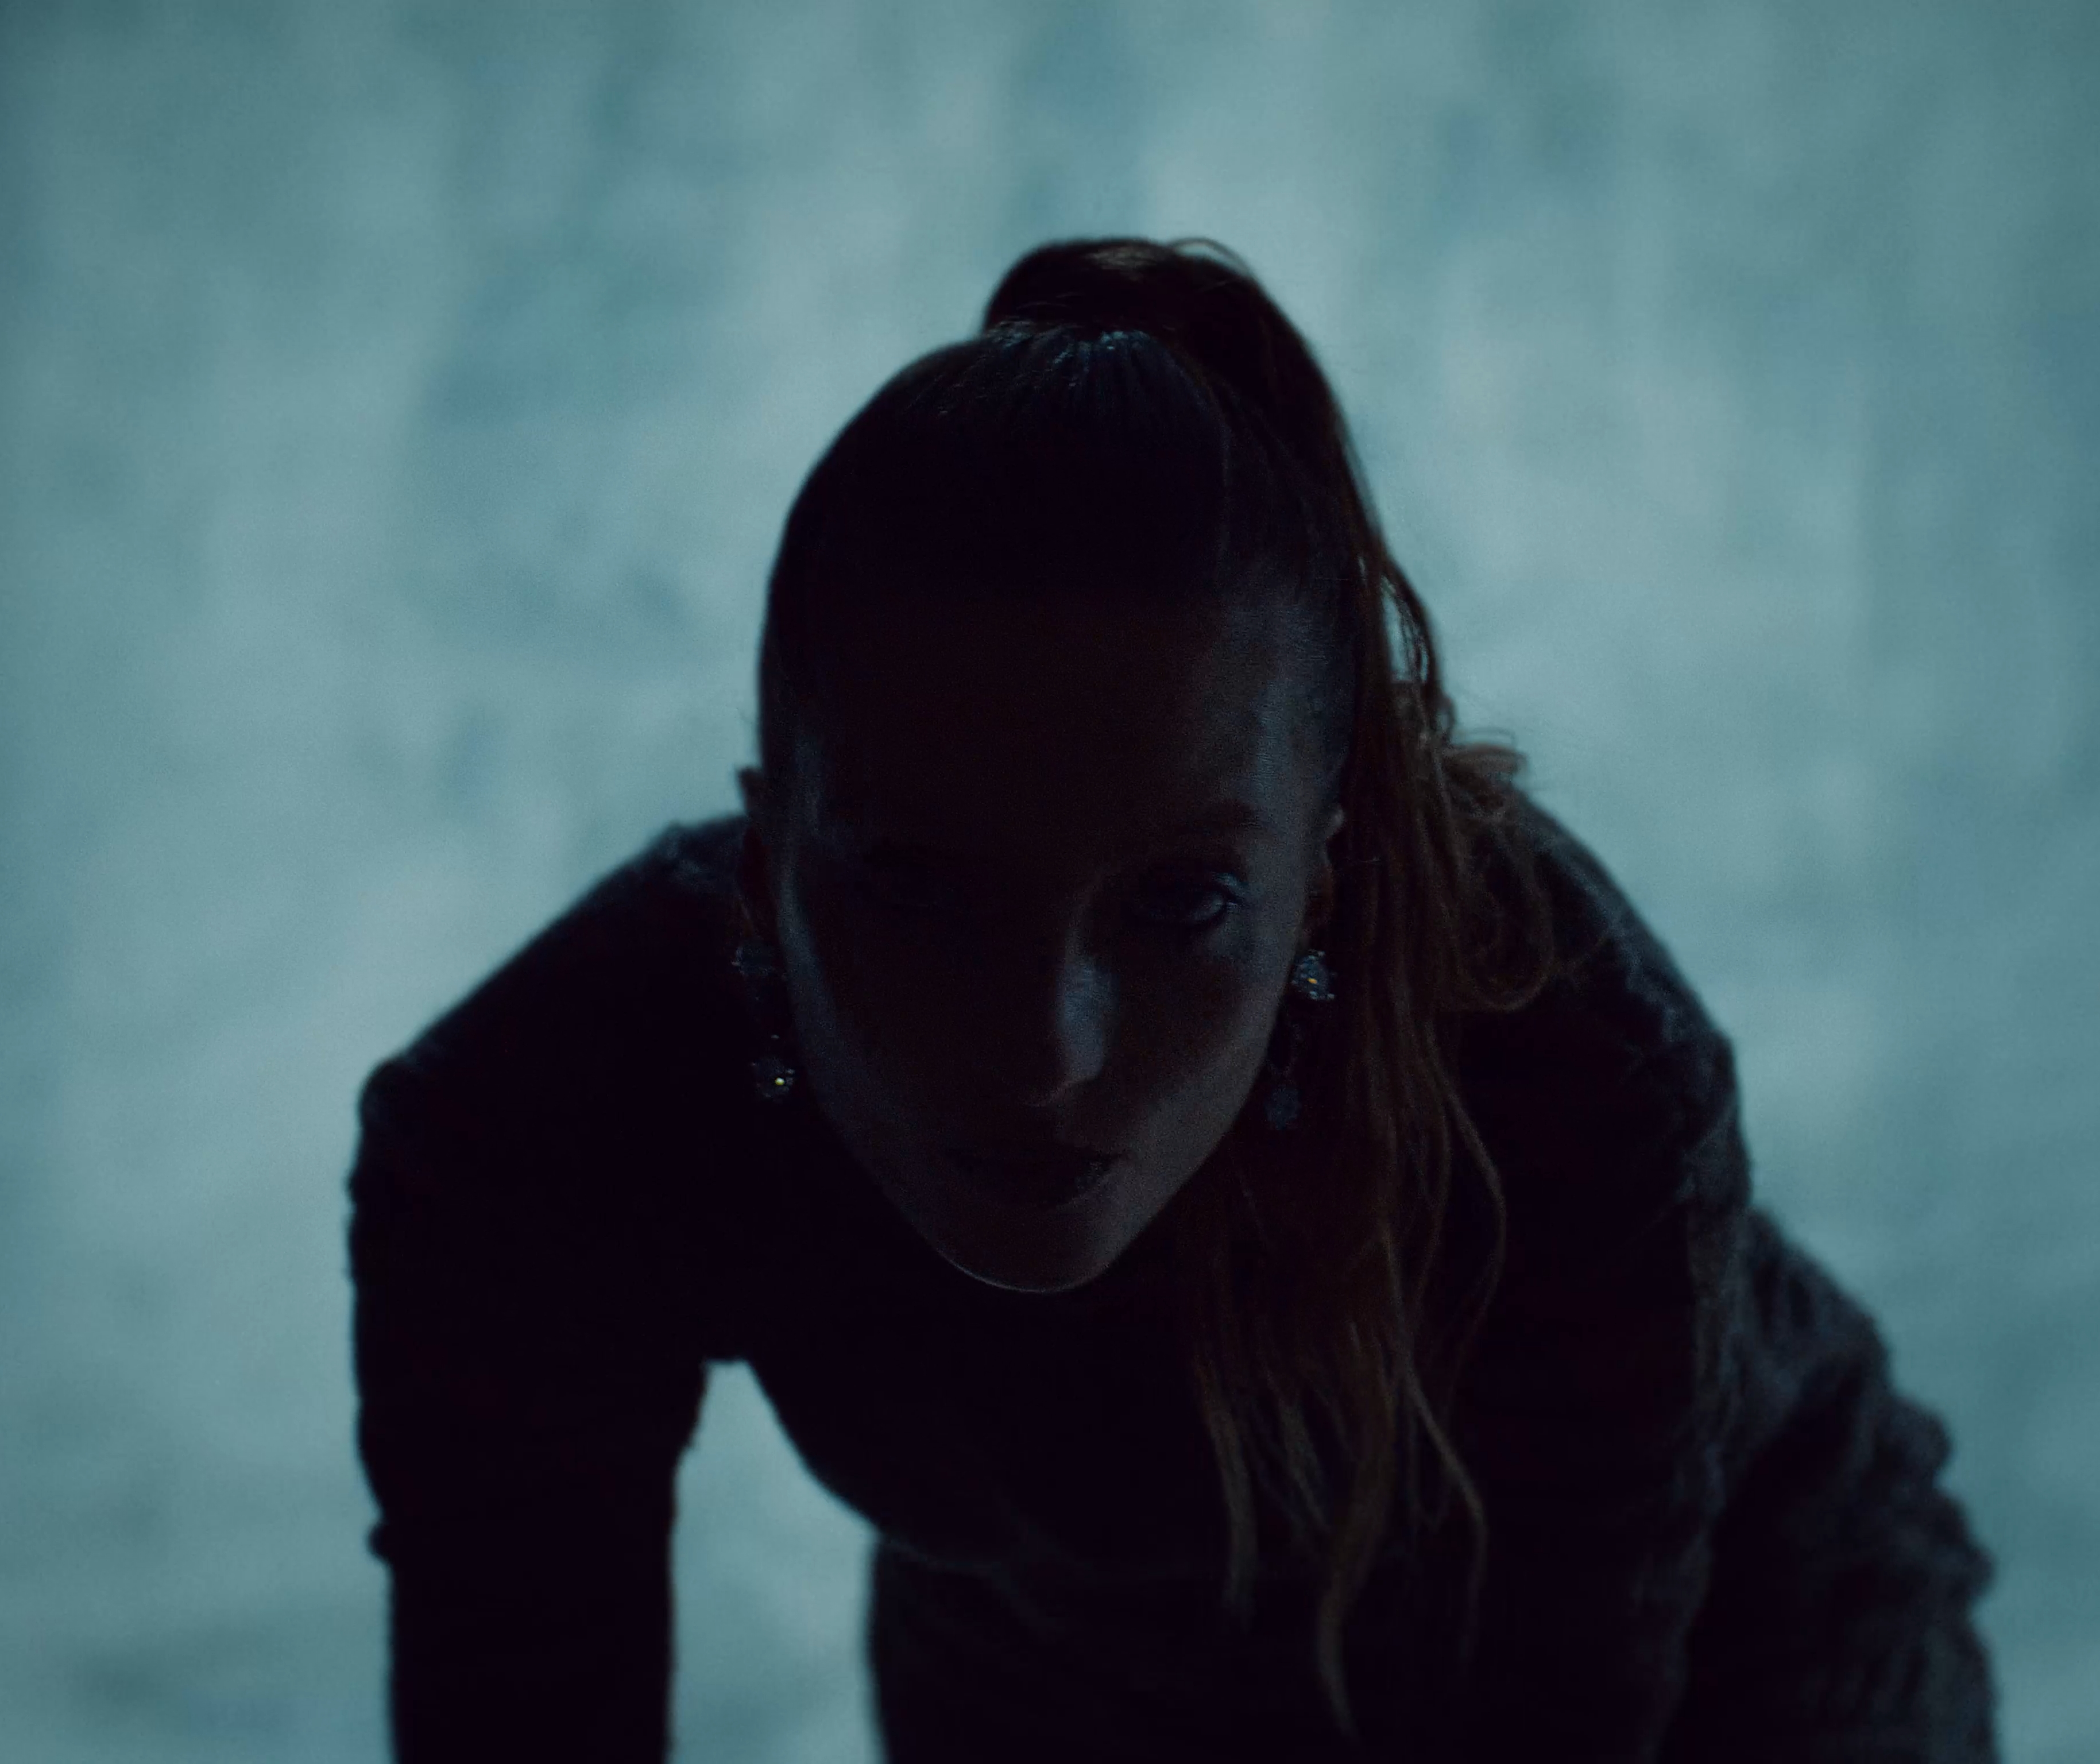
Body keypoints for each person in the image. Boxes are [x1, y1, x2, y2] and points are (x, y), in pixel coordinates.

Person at [345, 237, 1998, 1762]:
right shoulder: (544, 1131)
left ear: (1316, 894)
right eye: (919, 890)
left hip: (1738, 1640)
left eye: (1183, 904)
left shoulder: (1561, 1064)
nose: (1042, 1050)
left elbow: (1559, 1707)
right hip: (1037, 1651)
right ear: (767, 858)